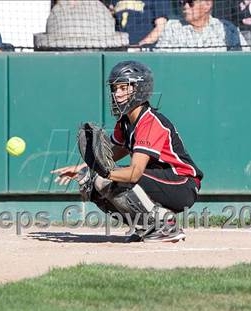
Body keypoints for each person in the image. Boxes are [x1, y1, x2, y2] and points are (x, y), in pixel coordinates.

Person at [51, 61, 203, 243]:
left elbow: (134, 173)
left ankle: (164, 225)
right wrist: (85, 168)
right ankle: (145, 225)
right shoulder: (125, 122)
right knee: (91, 184)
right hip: (159, 181)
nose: (117, 94)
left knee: (107, 179)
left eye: (124, 88)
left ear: (140, 89)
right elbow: (114, 152)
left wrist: (105, 174)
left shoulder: (150, 121)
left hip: (182, 184)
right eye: (115, 89)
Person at [155, 0, 249, 52]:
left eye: (190, 2)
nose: (185, 6)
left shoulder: (226, 28)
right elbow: (162, 60)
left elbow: (242, 59)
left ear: (208, 4)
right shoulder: (171, 28)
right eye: (182, 2)